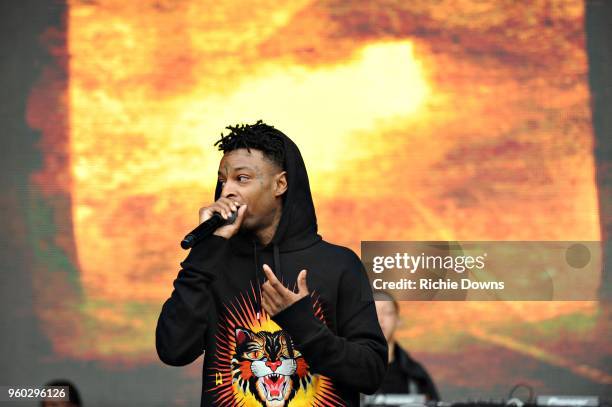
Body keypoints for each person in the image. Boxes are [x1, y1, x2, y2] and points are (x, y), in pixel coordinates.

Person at [156, 121, 387, 406]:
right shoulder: (211, 264)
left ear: (280, 184)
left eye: (241, 179)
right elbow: (173, 350)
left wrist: (303, 324)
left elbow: (371, 373)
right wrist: (205, 252)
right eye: (222, 180)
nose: (226, 190)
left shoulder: (339, 264)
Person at [373, 291, 439, 401]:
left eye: (386, 312)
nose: (380, 319)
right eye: (373, 312)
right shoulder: (349, 370)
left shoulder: (416, 375)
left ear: (398, 320)